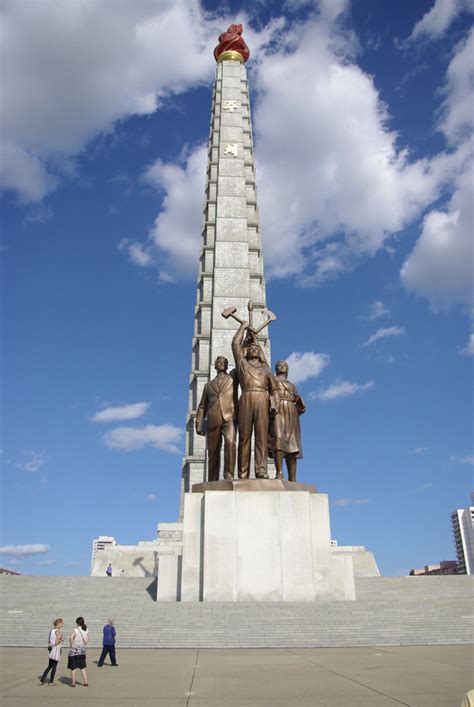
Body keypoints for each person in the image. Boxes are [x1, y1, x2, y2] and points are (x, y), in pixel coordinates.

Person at [232, 321, 277, 479]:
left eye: (256, 348)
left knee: (261, 437)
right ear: (246, 351)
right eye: (250, 348)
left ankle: (261, 470)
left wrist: (274, 404)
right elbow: (235, 343)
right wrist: (243, 327)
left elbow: (274, 388)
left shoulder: (266, 369)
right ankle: (243, 473)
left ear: (260, 353)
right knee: (244, 437)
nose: (254, 349)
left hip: (262, 399)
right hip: (246, 397)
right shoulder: (242, 364)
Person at [196, 356, 238, 481]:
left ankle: (229, 475)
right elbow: (202, 405)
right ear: (215, 366)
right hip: (213, 419)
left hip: (229, 417)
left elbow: (240, 359)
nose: (222, 364)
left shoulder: (232, 378)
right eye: (219, 362)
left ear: (227, 365)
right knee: (213, 451)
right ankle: (212, 479)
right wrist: (199, 422)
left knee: (230, 443)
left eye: (224, 362)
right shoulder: (208, 385)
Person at [269, 360, 306, 482]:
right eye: (279, 365)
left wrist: (301, 405)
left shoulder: (292, 385)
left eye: (284, 365)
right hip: (278, 410)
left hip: (291, 411)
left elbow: (298, 400)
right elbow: (268, 395)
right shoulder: (272, 380)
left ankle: (293, 478)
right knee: (278, 439)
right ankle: (279, 473)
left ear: (287, 369)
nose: (281, 366)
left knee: (292, 444)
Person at [40, 618, 64, 686]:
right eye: (61, 624)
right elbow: (56, 642)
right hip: (56, 650)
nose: (62, 625)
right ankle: (51, 682)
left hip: (51, 649)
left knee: (49, 666)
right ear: (58, 624)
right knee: (54, 666)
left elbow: (49, 641)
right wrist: (61, 640)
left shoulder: (52, 630)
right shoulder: (58, 631)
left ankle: (42, 680)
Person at [67, 616, 89, 687]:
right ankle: (85, 682)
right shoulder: (86, 630)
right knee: (82, 667)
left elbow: (70, 637)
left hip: (74, 651)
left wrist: (72, 645)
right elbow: (87, 641)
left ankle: (73, 683)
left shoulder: (76, 630)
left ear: (77, 623)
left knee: (73, 668)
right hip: (82, 651)